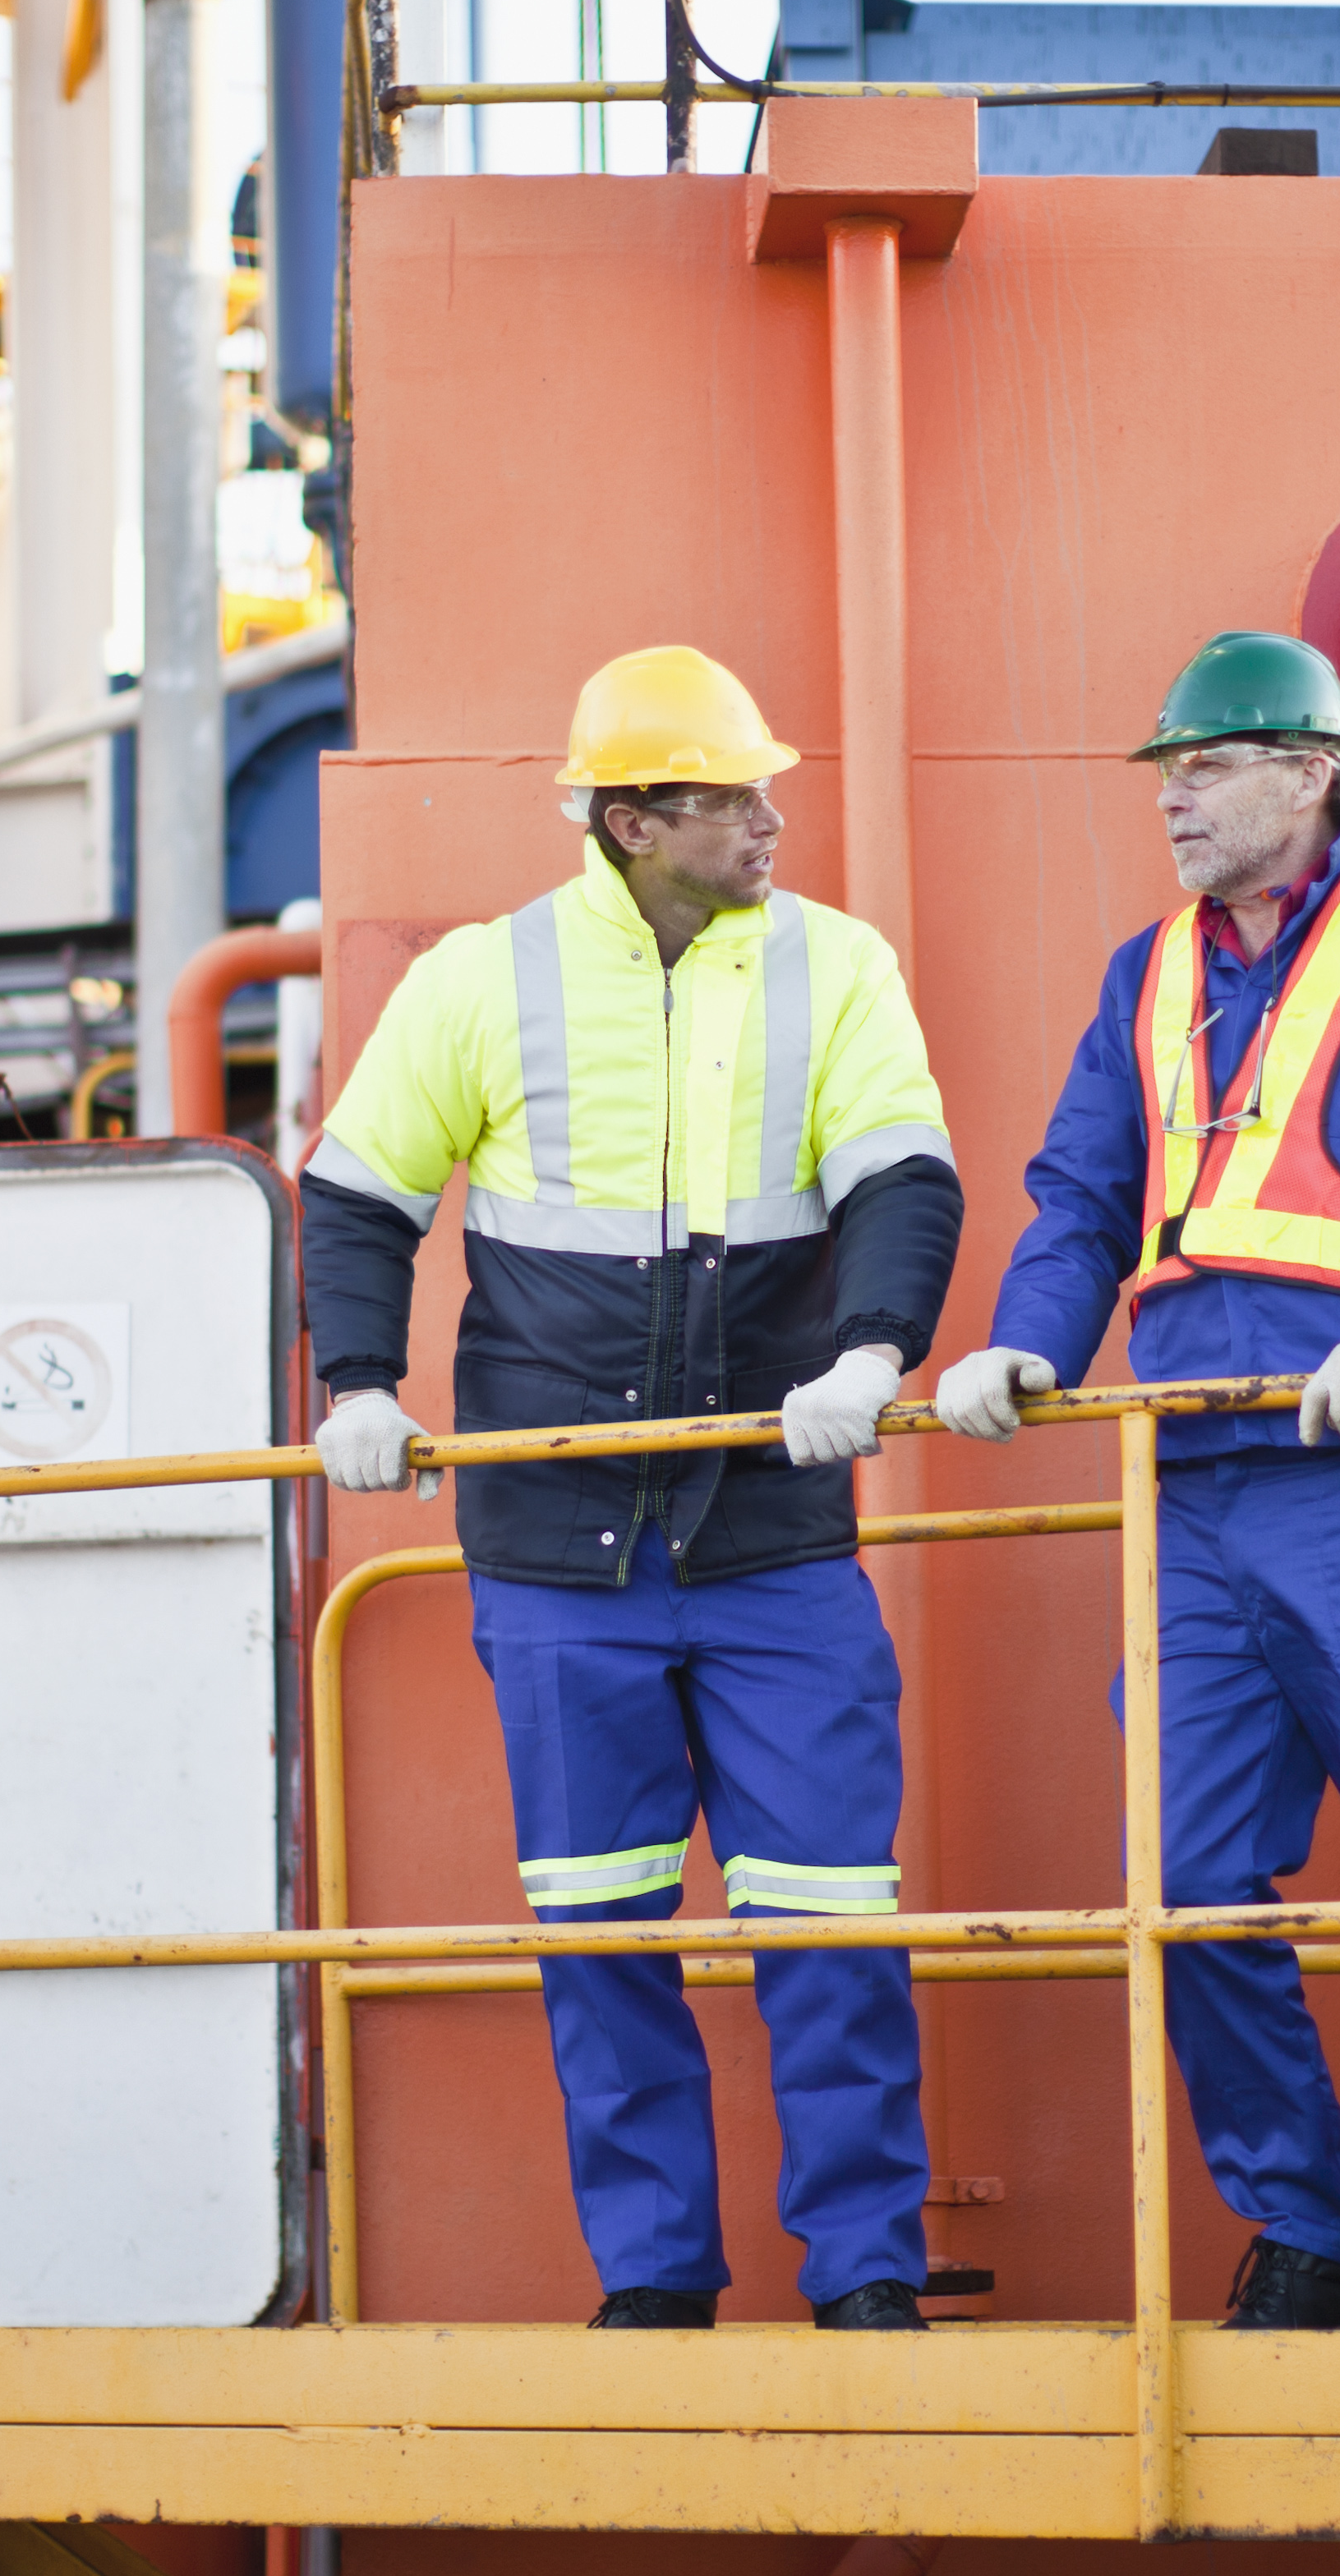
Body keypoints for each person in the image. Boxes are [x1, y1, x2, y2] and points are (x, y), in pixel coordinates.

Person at [933, 629, 1340, 2333]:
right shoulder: (1143, 973)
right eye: (1163, 760)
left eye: (1211, 758)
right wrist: (1029, 1339)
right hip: (1191, 1481)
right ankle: (1305, 2227)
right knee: (1188, 1882)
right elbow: (1081, 1195)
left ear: (1314, 772)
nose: (1171, 787)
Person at [299, 644, 967, 2330]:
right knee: (599, 1937)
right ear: (629, 817)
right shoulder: (482, 978)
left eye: (762, 789)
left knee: (829, 1926)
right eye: (730, 794)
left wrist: (872, 1349)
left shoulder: (835, 965)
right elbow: (358, 1190)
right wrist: (355, 1383)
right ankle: (658, 2277)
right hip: (556, 1541)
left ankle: (866, 2275)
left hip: (768, 1527)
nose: (764, 818)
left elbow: (900, 1164)